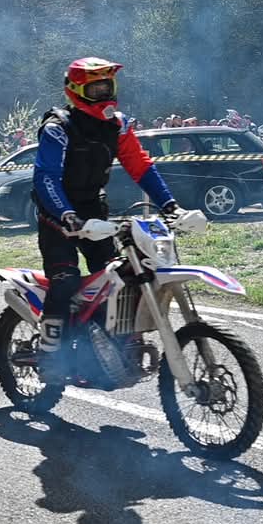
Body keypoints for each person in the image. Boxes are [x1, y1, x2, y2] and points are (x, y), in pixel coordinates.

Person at [32, 57, 181, 382]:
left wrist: (170, 205)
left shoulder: (119, 125)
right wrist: (66, 215)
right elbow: (46, 177)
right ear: (76, 90)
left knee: (118, 277)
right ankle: (49, 355)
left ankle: (104, 346)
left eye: (107, 86)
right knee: (65, 280)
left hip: (94, 213)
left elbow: (140, 165)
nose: (103, 93)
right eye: (95, 87)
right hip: (57, 217)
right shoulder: (58, 128)